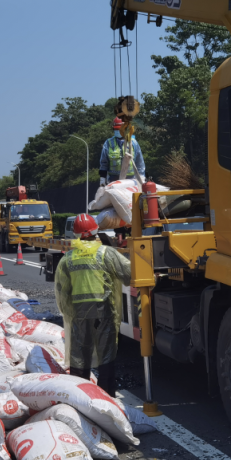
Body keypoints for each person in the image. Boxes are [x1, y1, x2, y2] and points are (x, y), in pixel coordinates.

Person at [54, 213, 131, 392]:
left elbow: (62, 291)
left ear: (77, 234)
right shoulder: (106, 253)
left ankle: (79, 395)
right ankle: (106, 396)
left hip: (79, 313)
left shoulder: (68, 258)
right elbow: (129, 275)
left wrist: (69, 313)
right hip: (104, 311)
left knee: (80, 353)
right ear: (96, 231)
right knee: (106, 352)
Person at [98, 117, 145, 184]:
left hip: (131, 180)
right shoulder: (108, 143)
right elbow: (104, 163)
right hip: (113, 180)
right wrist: (102, 178)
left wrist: (142, 177)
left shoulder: (133, 143)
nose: (118, 131)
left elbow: (139, 163)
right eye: (116, 129)